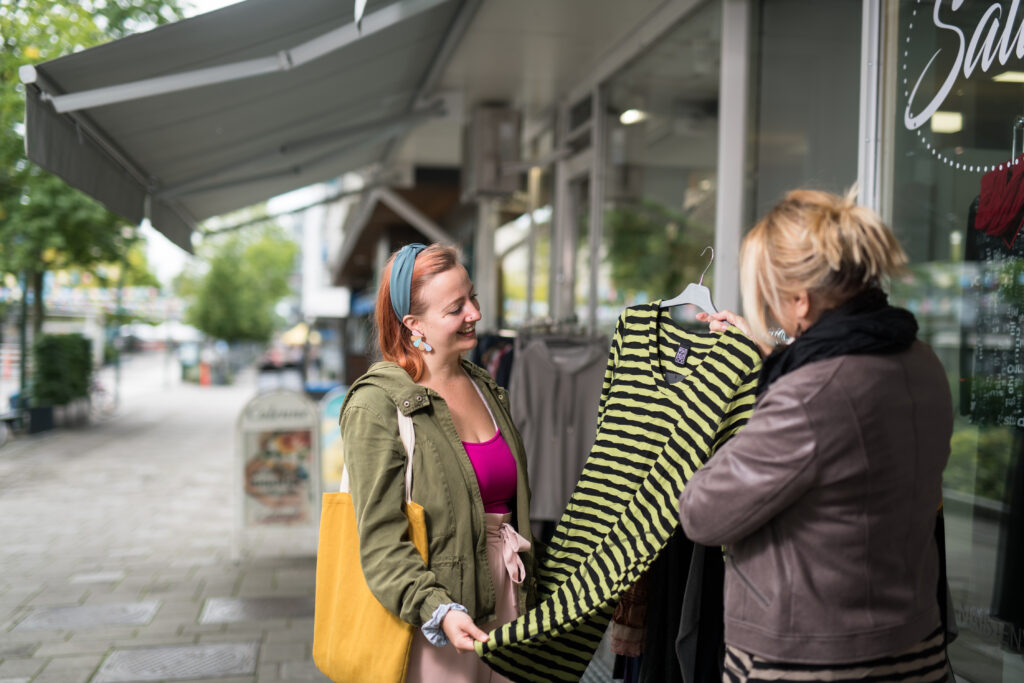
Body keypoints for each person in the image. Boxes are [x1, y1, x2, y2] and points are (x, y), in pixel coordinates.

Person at [678, 189, 954, 681]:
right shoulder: (922, 362)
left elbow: (703, 513)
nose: (771, 312)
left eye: (770, 298)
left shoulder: (807, 395)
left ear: (801, 300)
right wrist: (773, 354)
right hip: (914, 642)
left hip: (808, 656)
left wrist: (761, 395)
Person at [339, 243, 536, 682]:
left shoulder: (485, 385)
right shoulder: (375, 406)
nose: (475, 314)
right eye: (455, 308)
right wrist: (438, 610)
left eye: (473, 297)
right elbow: (380, 544)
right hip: (439, 619)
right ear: (414, 325)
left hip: (510, 604)